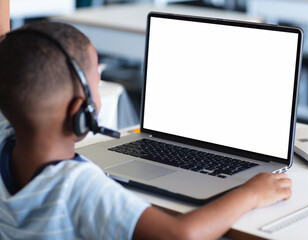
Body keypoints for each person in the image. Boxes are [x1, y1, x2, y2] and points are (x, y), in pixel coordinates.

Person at [0, 21, 292, 239]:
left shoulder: (4, 138)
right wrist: (251, 194)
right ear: (81, 111)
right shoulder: (77, 186)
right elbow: (180, 235)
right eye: (97, 84)